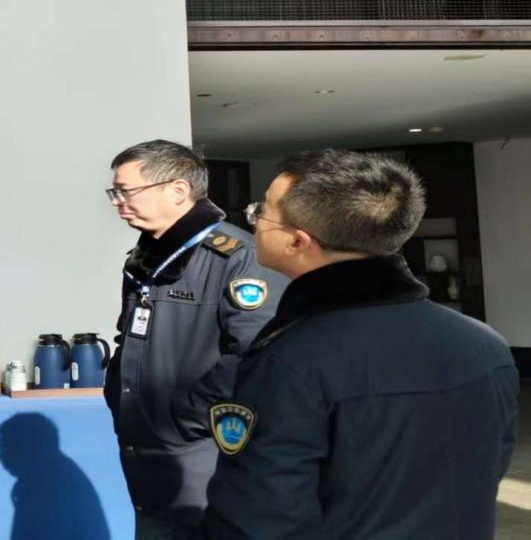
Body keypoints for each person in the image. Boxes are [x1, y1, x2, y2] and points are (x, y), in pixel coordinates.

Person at [203, 150, 519, 539]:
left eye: (261, 212)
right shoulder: (484, 343)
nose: (252, 222)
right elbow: (486, 470)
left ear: (298, 241)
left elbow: (259, 518)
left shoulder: (291, 361)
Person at [103, 140, 285, 539]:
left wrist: (184, 420)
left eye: (126, 191)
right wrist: (118, 395)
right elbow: (129, 337)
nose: (118, 203)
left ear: (178, 190)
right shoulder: (145, 259)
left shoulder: (237, 256)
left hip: (204, 458)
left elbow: (257, 355)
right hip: (149, 457)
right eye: (114, 193)